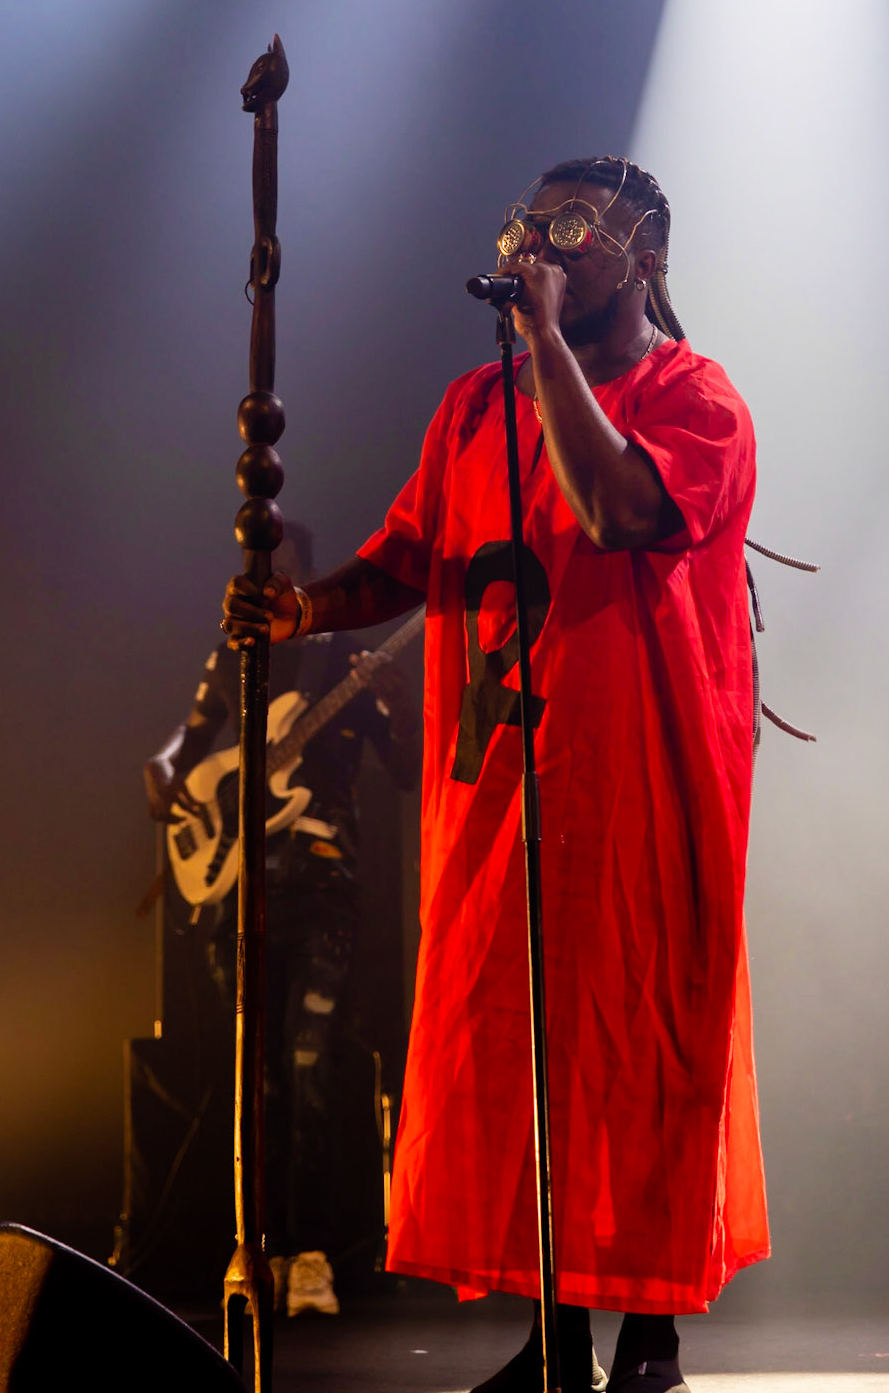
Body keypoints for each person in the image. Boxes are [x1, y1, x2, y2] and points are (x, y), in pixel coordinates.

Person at [224, 160, 768, 1392]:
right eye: (530, 223)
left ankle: (652, 1340)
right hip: (501, 785)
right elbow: (411, 556)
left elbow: (619, 506)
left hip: (640, 782)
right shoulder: (477, 405)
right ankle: (555, 1339)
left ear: (647, 261)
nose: (543, 242)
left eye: (576, 228)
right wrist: (302, 604)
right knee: (515, 1057)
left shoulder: (699, 399)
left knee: (635, 1050)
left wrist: (540, 344)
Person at [146, 522, 420, 1317]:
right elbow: (188, 738)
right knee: (254, 1079)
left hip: (324, 884)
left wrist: (400, 713)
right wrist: (165, 768)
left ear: (304, 574)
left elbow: (404, 772)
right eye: (254, 572)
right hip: (243, 889)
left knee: (310, 1064)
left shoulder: (346, 658)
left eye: (279, 573)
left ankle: (311, 1253)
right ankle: (254, 1252)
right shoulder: (236, 654)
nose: (263, 584)